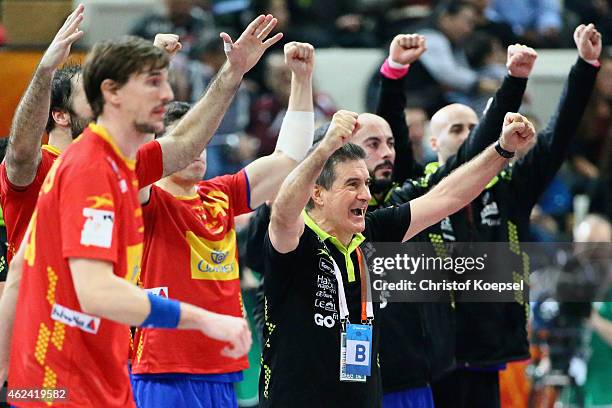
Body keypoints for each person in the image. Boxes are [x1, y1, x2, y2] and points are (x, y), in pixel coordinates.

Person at [0, 14, 283, 407]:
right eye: (153, 85)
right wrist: (203, 319)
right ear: (111, 97)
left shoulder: (117, 165)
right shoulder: (81, 169)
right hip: (61, 377)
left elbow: (184, 141)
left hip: (107, 369)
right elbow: (95, 291)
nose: (167, 96)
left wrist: (233, 72)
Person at [260, 107, 536, 407]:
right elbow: (283, 215)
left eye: (365, 183)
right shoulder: (296, 241)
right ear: (317, 193)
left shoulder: (372, 232)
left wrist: (502, 149)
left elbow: (447, 196)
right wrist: (325, 148)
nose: (365, 194)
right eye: (352, 184)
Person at [389, 24, 602, 408]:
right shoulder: (416, 190)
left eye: (474, 126)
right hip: (434, 355)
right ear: (433, 142)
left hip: (490, 352)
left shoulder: (510, 190)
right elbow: (469, 148)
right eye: (458, 129)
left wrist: (585, 67)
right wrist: (512, 83)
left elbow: (556, 139)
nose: (470, 134)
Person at [130, 41, 315, 407]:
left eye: (203, 140)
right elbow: (128, 147)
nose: (198, 148)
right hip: (164, 370)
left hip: (221, 368)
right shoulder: (144, 196)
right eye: (187, 141)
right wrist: (155, 66)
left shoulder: (222, 194)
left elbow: (288, 158)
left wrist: (302, 79)